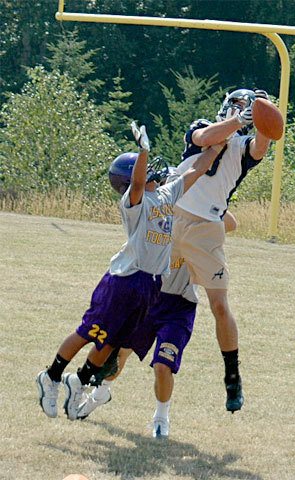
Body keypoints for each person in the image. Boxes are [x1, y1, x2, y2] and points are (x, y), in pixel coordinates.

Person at [36, 122, 227, 421]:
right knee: (89, 332)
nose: (153, 168)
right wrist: (143, 151)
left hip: (150, 286)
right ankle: (51, 376)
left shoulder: (165, 195)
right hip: (124, 281)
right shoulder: (134, 201)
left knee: (111, 343)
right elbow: (138, 184)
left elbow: (196, 170)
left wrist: (218, 146)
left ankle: (80, 383)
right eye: (147, 165)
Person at [76, 212, 238, 439]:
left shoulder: (197, 214)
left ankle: (161, 417)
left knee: (163, 366)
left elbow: (231, 223)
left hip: (179, 307)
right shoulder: (158, 210)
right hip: (150, 297)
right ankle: (100, 393)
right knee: (120, 353)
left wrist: (204, 208)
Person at [171, 88, 273, 413]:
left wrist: (263, 114)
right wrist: (236, 119)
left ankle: (232, 376)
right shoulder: (203, 126)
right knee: (146, 293)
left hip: (206, 229)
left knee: (218, 305)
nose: (242, 112)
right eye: (239, 107)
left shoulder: (243, 147)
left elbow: (263, 143)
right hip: (171, 219)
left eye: (247, 109)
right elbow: (203, 138)